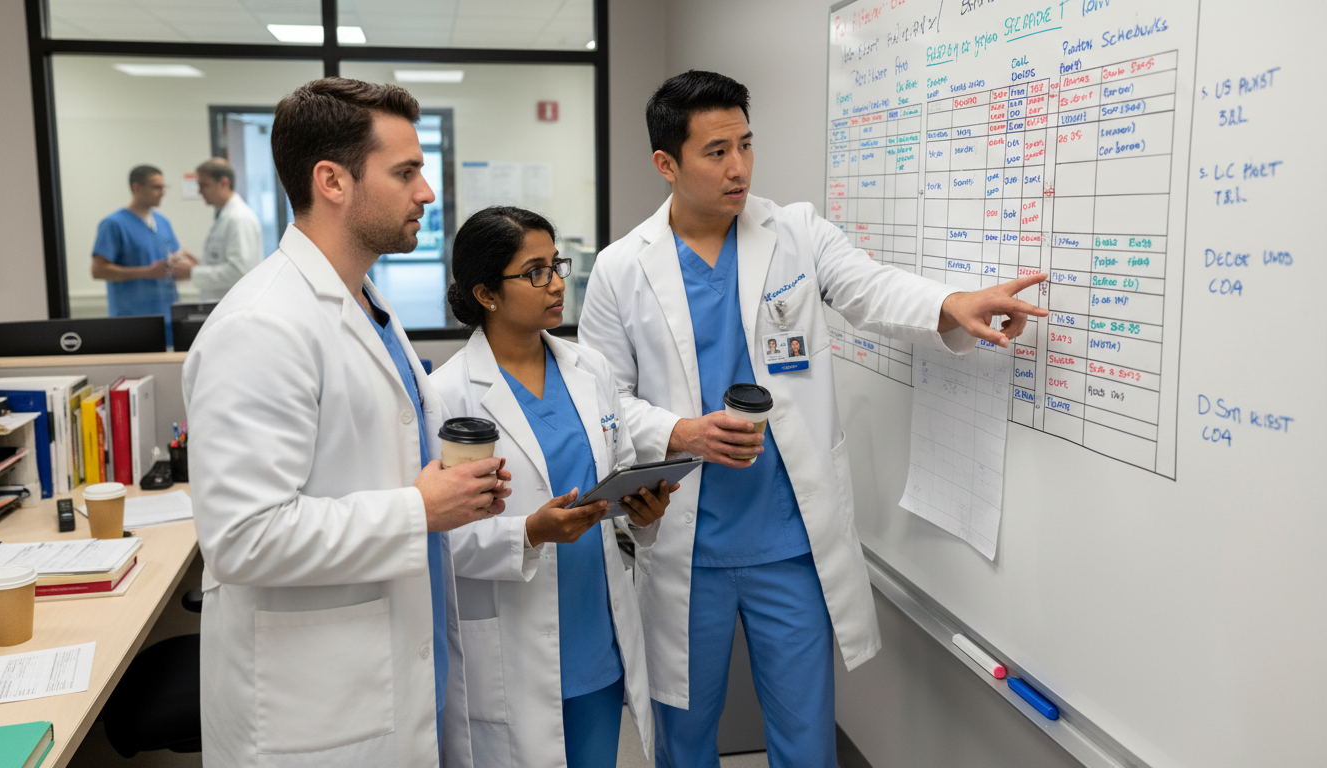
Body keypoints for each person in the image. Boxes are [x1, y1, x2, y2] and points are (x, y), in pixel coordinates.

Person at [578, 70, 1047, 766]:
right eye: (715, 152)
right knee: (684, 743)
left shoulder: (794, 232)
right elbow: (602, 396)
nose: (738, 167)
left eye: (745, 144)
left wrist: (953, 304)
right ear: (666, 164)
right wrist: (681, 432)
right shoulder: (622, 269)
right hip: (686, 547)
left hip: (788, 545)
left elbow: (870, 288)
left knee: (804, 740)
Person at [183, 77, 510, 768]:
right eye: (406, 172)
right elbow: (242, 538)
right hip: (317, 713)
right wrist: (418, 510)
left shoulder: (365, 305)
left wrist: (450, 496)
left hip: (398, 673)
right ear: (332, 180)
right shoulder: (262, 325)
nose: (426, 191)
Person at [431, 206, 674, 767]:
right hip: (512, 643)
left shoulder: (591, 370)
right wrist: (530, 533)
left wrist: (642, 510)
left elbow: (622, 474)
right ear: (487, 293)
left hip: (597, 633)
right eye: (535, 271)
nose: (558, 283)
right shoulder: (447, 397)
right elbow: (439, 537)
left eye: (556, 265)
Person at [92, 164, 185, 345]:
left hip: (167, 316)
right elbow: (98, 270)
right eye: (156, 187)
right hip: (133, 321)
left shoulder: (162, 222)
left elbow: (173, 253)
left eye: (164, 187)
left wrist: (181, 262)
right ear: (137, 188)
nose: (162, 192)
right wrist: (146, 272)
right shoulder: (114, 224)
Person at [170, 158, 264, 301]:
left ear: (224, 183)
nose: (199, 191)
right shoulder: (225, 217)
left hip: (235, 304)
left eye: (204, 185)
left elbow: (239, 271)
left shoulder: (238, 218)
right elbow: (222, 263)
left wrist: (192, 272)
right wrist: (199, 264)